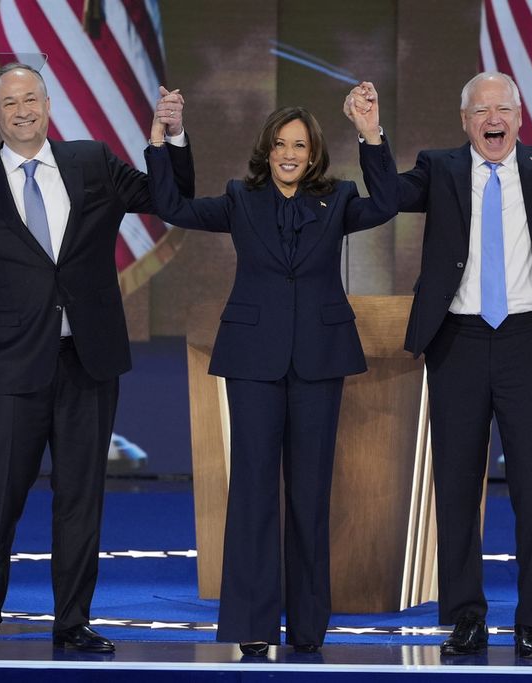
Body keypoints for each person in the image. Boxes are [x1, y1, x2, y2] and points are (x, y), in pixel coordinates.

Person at [345, 65, 532, 658]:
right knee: (455, 486)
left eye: (502, 108)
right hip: (456, 341)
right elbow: (388, 198)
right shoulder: (442, 167)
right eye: (480, 111)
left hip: (530, 341)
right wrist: (372, 134)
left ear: (519, 117)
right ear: (464, 122)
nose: (492, 119)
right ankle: (466, 618)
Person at [0, 62, 195, 653]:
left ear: (48, 105)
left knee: (81, 497)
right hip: (10, 366)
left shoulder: (90, 162)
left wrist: (169, 138)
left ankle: (72, 621)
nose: (23, 111)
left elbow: (167, 200)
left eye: (32, 99)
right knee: (0, 496)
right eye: (11, 104)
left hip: (88, 359)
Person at [145, 82, 396, 656]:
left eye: (300, 146)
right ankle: (254, 627)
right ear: (267, 149)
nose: (290, 154)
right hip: (254, 363)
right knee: (253, 493)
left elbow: (387, 204)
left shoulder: (339, 199)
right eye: (281, 144)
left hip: (318, 362)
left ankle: (308, 629)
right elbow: (173, 207)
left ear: (314, 156)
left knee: (310, 496)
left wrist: (372, 132)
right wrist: (167, 139)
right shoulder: (240, 198)